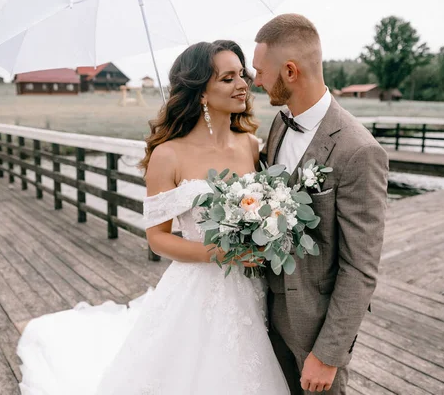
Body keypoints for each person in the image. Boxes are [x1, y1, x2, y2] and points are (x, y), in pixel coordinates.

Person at [16, 40, 290, 394]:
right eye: (227, 78)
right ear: (201, 93)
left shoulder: (251, 145)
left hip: (253, 286)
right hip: (202, 288)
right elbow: (157, 238)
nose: (242, 84)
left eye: (242, 74)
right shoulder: (168, 155)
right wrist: (219, 253)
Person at [253, 14, 389, 394]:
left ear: (291, 71)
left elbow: (361, 266)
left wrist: (328, 354)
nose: (256, 81)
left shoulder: (359, 151)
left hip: (314, 330)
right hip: (264, 314)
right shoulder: (280, 125)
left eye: (261, 71)